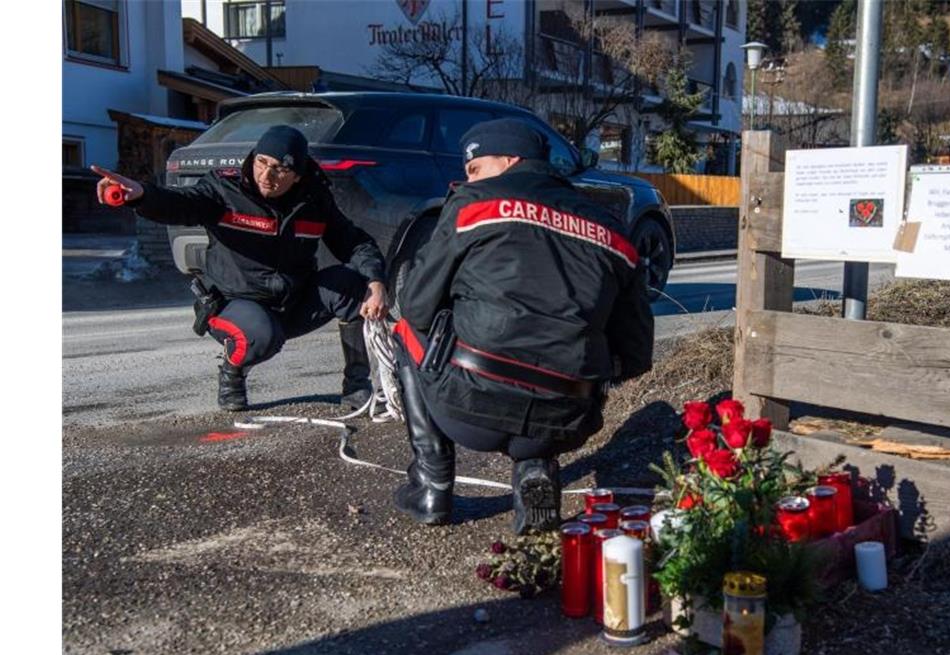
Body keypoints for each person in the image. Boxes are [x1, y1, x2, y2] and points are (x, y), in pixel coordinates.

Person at [391, 118, 654, 533]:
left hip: (470, 410)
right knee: (557, 357)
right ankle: (535, 469)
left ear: (510, 159)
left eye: (475, 168)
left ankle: (431, 483)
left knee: (404, 328)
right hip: (567, 416)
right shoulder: (612, 228)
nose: (469, 178)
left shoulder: (472, 205)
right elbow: (637, 352)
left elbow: (418, 305)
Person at [93, 125, 388, 411]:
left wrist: (375, 282)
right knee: (262, 334)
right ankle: (232, 373)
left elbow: (354, 242)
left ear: (297, 176)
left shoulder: (314, 200)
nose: (267, 175)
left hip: (290, 303)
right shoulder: (224, 189)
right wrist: (142, 195)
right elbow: (181, 203)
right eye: (262, 162)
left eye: (280, 169)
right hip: (233, 305)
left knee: (352, 286)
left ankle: (356, 386)